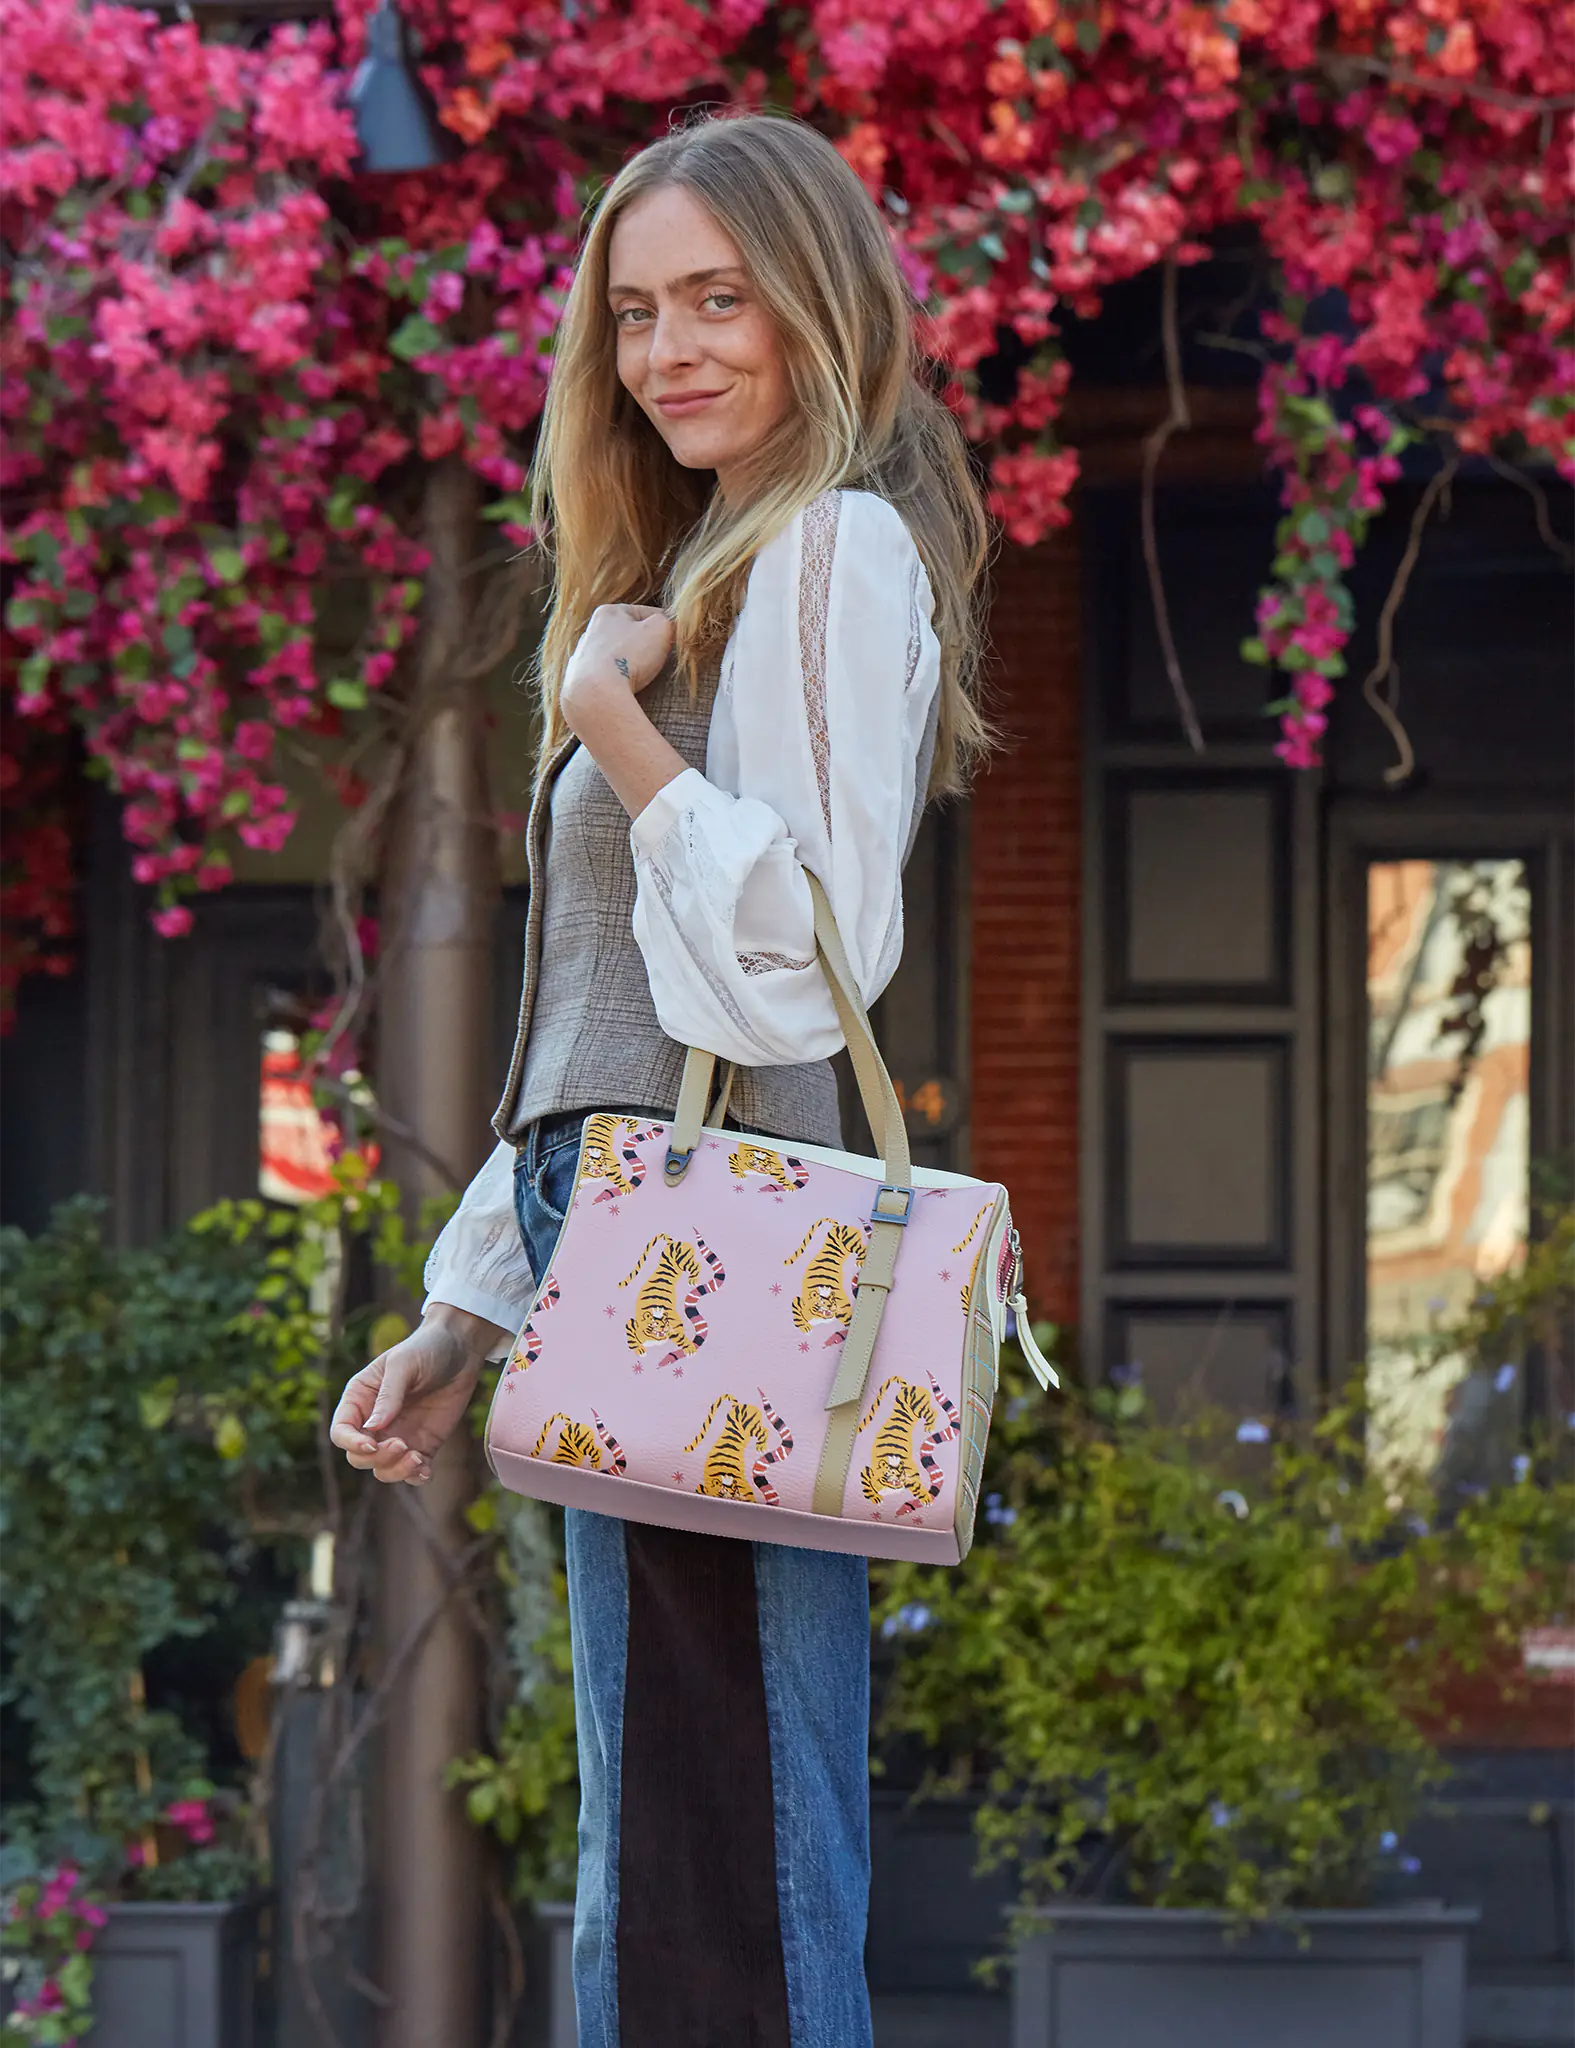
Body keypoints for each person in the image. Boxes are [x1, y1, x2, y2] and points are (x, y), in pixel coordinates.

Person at [330, 110, 988, 2048]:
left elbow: (795, 965)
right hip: (632, 1242)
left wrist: (608, 721)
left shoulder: (830, 547)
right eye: (633, 313)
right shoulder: (703, 562)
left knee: (731, 1846)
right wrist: (469, 1310)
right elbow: (605, 1026)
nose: (668, 350)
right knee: (673, 1832)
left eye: (718, 299)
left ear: (815, 310)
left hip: (724, 1254)